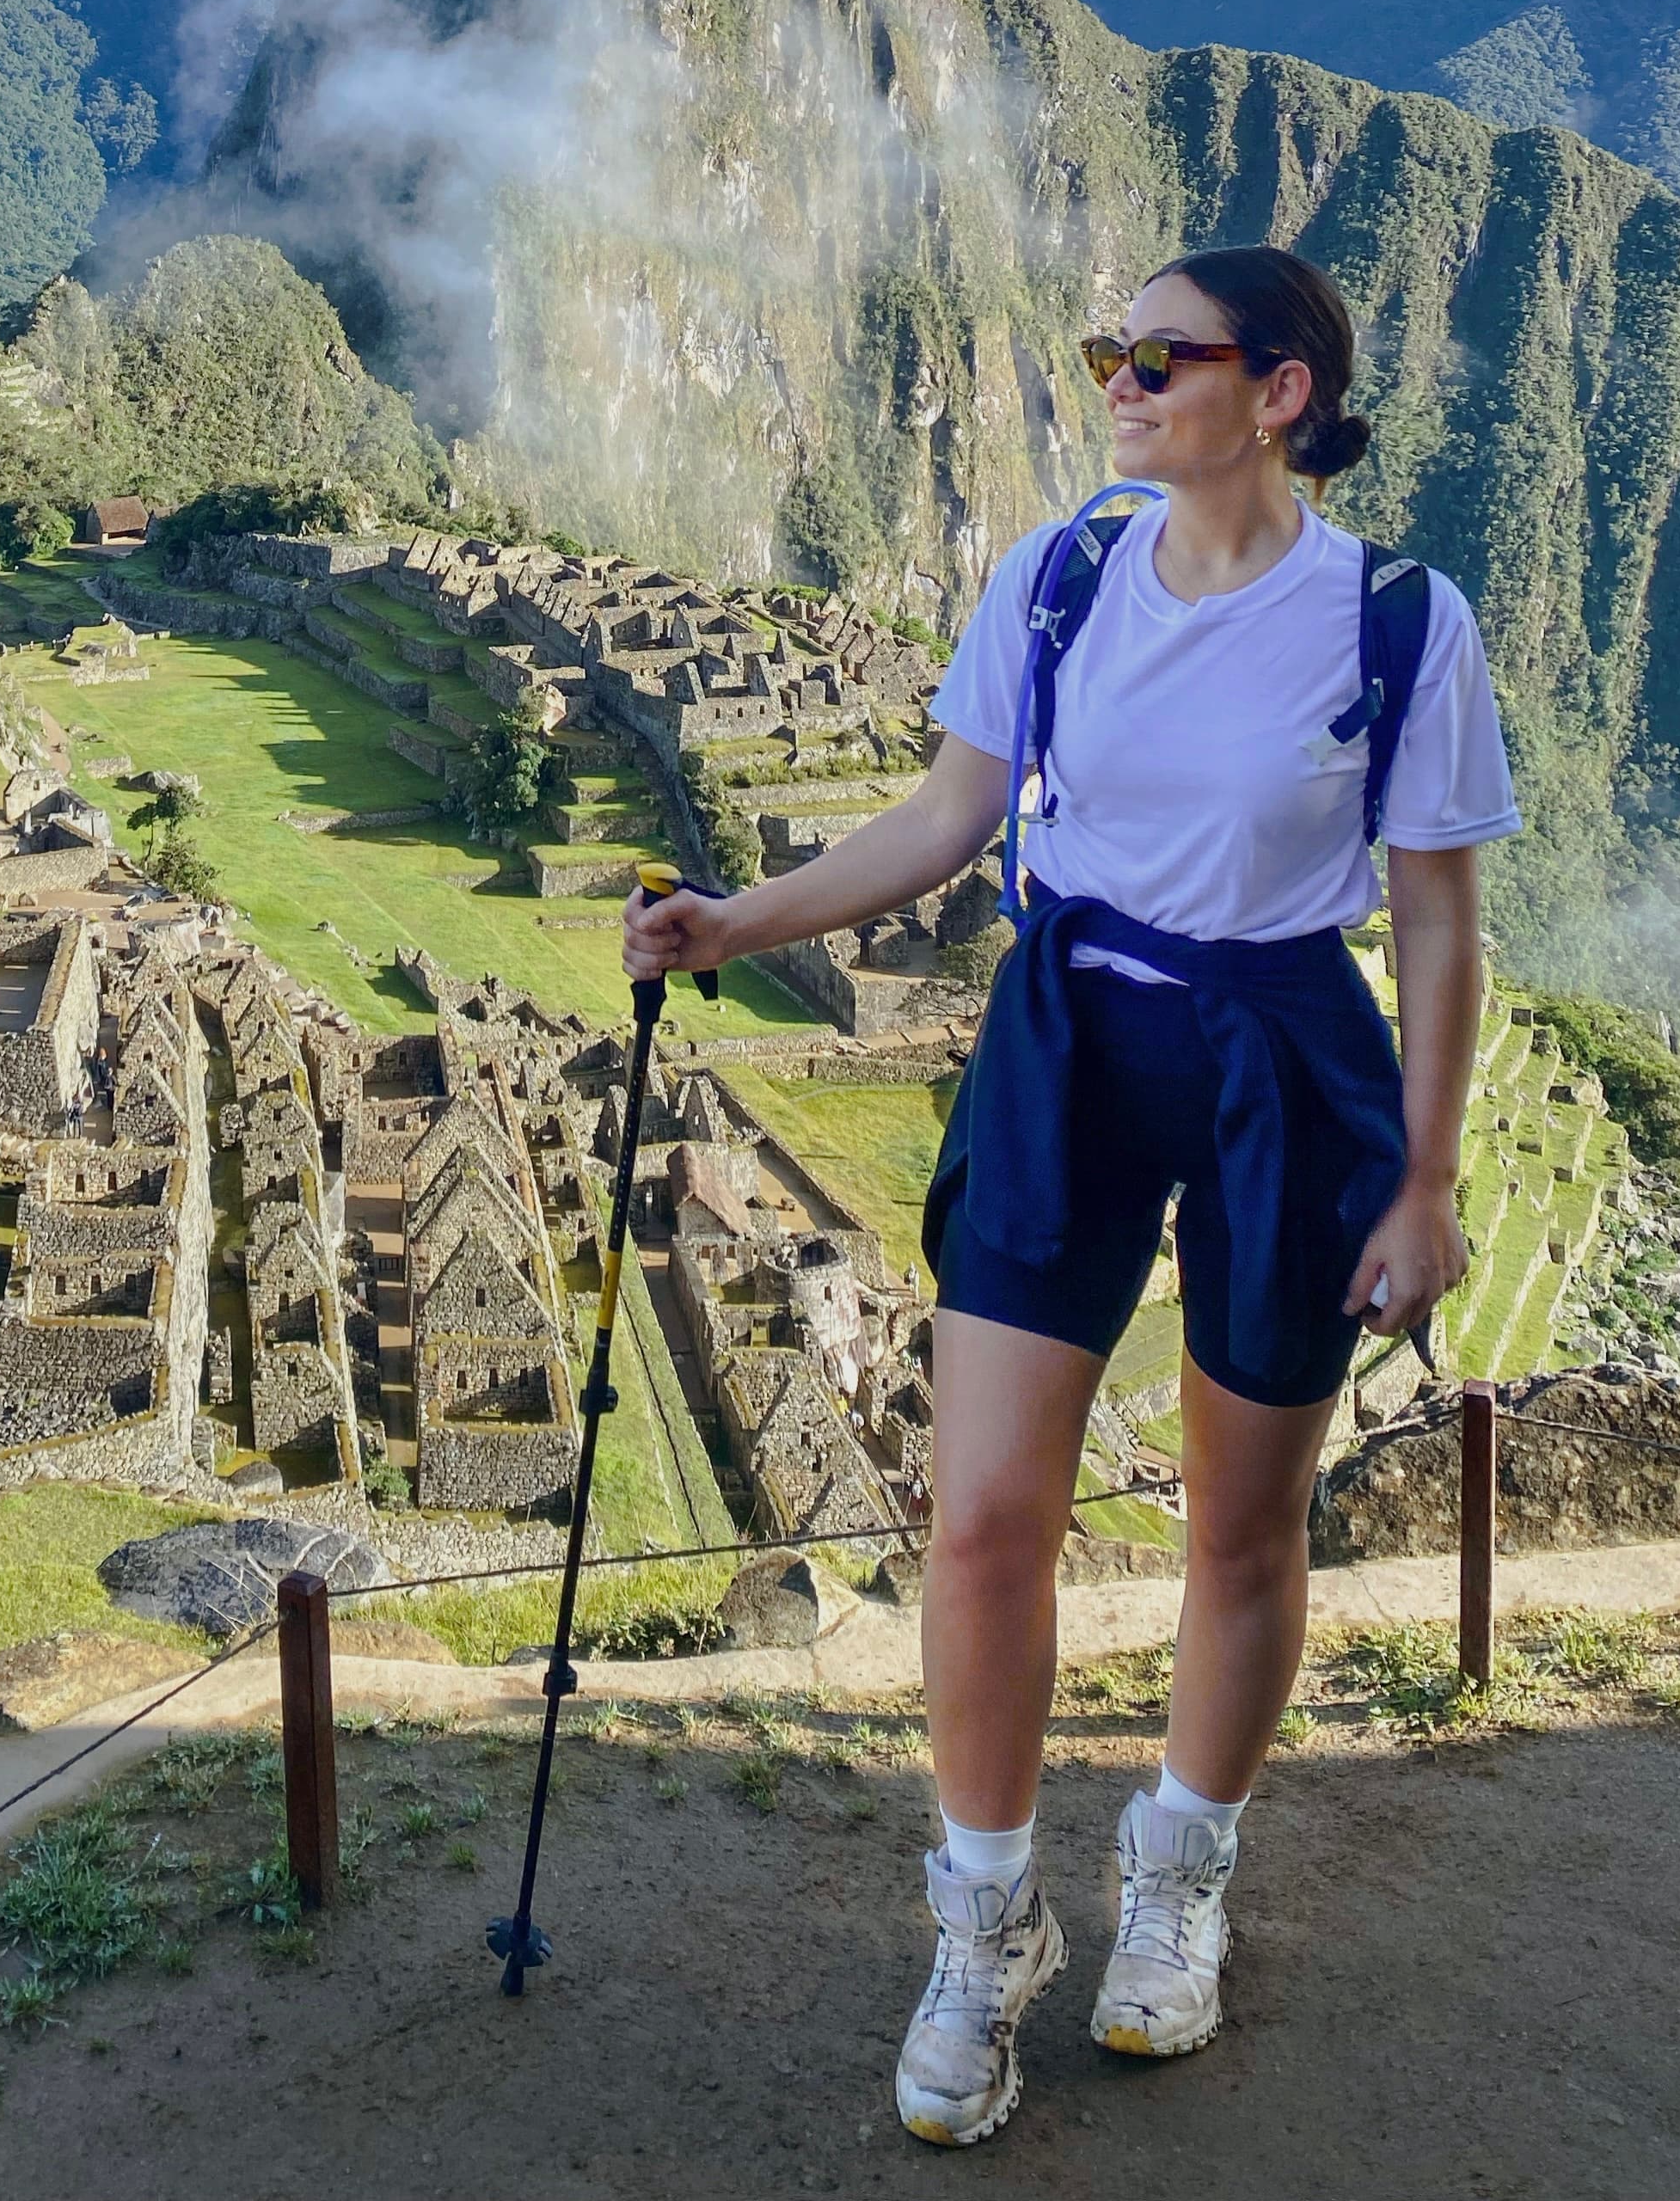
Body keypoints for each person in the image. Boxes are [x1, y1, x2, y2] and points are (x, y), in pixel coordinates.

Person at [624, 248, 1518, 2149]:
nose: (1115, 379)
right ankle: (985, 1923)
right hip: (1071, 1035)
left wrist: (1425, 1182)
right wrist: (731, 926)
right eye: (1109, 350)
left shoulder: (1397, 624)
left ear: (1276, 393)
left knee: (1239, 1526)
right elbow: (949, 818)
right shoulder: (1058, 576)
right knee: (985, 1519)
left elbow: (1436, 920)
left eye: (1155, 355)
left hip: (1286, 1051)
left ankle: (1180, 1877)